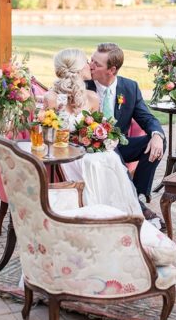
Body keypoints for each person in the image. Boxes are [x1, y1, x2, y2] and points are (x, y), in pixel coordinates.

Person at [44, 48, 143, 216]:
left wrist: (101, 139)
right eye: (87, 62)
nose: (90, 65)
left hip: (86, 150)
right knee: (95, 162)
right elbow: (47, 134)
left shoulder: (92, 98)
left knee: (109, 157)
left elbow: (94, 130)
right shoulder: (52, 98)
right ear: (77, 69)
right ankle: (92, 213)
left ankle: (115, 213)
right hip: (65, 154)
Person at [87, 42, 166, 224]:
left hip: (120, 145)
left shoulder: (130, 87)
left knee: (157, 141)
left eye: (97, 64)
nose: (91, 65)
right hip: (93, 148)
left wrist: (157, 135)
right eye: (91, 60)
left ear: (112, 70)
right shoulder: (84, 86)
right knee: (110, 151)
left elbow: (146, 117)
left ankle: (137, 194)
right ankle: (139, 208)